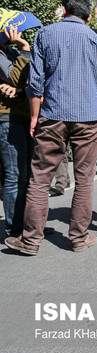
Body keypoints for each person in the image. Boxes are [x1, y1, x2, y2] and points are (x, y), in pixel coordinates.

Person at [5, 0, 97, 255]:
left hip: (52, 114)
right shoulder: (95, 37)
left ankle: (31, 240)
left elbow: (35, 83)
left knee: (40, 178)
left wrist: (34, 116)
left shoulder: (44, 34)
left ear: (63, 10)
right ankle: (79, 238)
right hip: (88, 118)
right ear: (88, 16)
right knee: (85, 179)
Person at [0, 25, 32, 238]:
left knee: (27, 175)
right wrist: (25, 47)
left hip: (23, 116)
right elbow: (14, 76)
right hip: (7, 118)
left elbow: (30, 80)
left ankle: (26, 224)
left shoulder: (11, 52)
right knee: (14, 175)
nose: (15, 32)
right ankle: (15, 230)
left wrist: (20, 88)